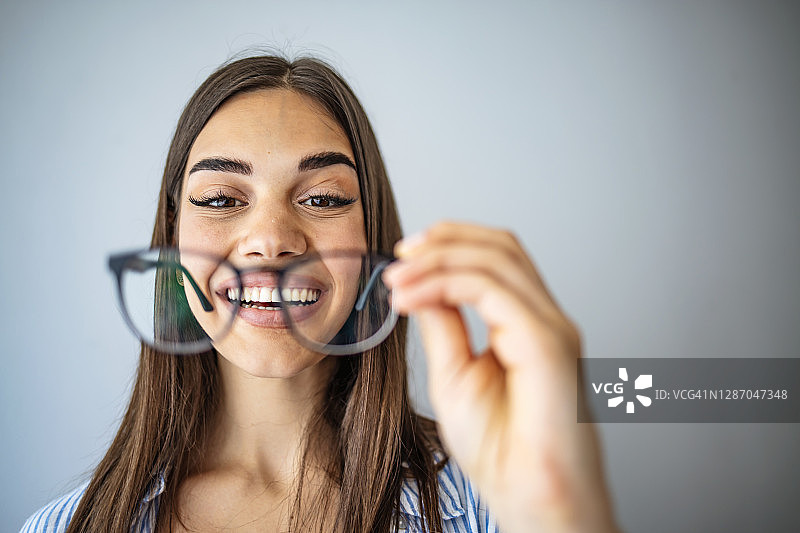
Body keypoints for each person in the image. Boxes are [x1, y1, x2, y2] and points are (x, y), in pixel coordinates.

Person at [21, 55, 619, 533]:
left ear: (374, 238)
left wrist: (560, 514)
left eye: (324, 198)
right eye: (221, 200)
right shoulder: (60, 528)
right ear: (172, 238)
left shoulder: (493, 507)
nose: (271, 240)